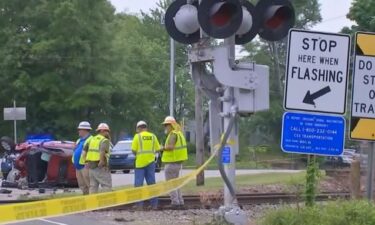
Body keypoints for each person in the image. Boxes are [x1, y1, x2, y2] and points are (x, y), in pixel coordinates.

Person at [131, 120, 161, 210]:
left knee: (138, 185)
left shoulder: (137, 136)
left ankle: (139, 205)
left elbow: (133, 150)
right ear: (146, 127)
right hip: (151, 163)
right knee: (152, 184)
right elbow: (158, 149)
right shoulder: (153, 136)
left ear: (139, 128)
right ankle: (154, 205)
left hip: (140, 164)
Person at [161, 116, 188, 209]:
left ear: (171, 125)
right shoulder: (179, 133)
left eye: (166, 125)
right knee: (176, 184)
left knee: (171, 184)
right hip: (178, 163)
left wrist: (162, 148)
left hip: (171, 163)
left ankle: (175, 203)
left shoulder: (173, 134)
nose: (165, 127)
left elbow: (171, 147)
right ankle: (180, 202)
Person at [83, 122, 112, 193]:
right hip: (100, 166)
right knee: (106, 185)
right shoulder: (104, 140)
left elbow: (84, 152)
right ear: (102, 131)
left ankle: (92, 203)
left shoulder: (91, 139)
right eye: (106, 131)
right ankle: (106, 203)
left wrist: (85, 161)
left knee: (93, 186)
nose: (107, 132)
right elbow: (102, 151)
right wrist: (101, 162)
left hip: (91, 166)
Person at [72, 121, 92, 195]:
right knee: (82, 186)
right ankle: (86, 200)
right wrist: (74, 149)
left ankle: (92, 200)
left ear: (85, 130)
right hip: (78, 167)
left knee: (89, 185)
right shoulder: (79, 140)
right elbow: (76, 151)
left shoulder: (91, 140)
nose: (78, 131)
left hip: (85, 166)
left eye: (80, 129)